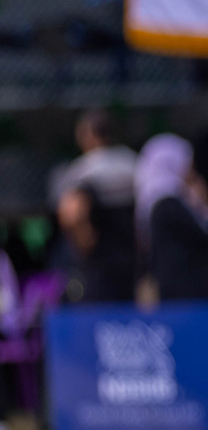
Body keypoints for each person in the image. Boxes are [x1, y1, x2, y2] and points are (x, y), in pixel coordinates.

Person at [54, 110, 137, 304]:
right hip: (130, 260)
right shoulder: (132, 163)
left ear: (89, 135)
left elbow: (72, 213)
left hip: (99, 263)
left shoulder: (83, 170)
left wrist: (84, 241)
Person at [136, 133, 208, 303]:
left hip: (175, 288)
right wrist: (201, 206)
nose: (191, 170)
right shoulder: (169, 204)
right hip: (186, 291)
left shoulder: (159, 202)